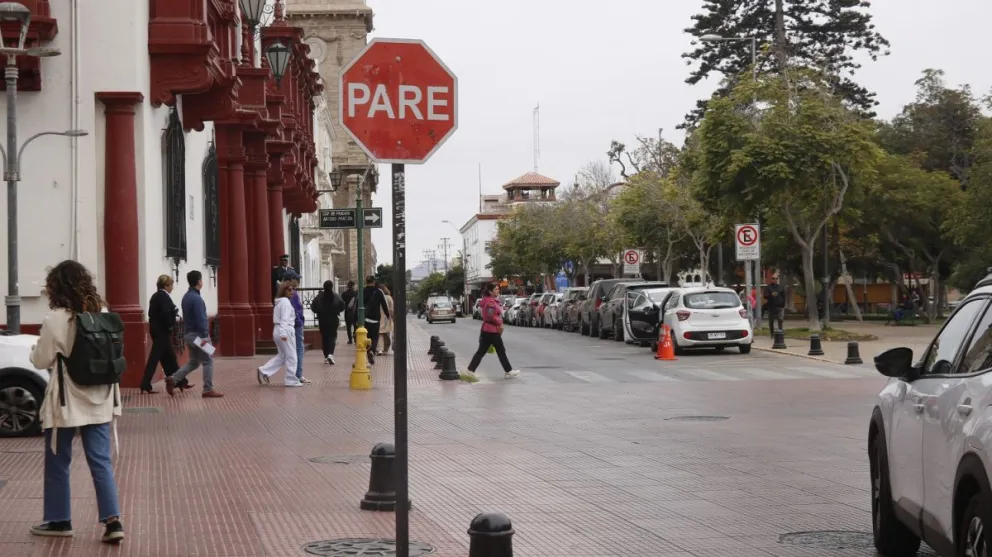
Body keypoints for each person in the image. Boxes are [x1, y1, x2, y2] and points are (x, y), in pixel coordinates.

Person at [28, 260, 125, 543]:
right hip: (101, 399)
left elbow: (40, 359)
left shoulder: (56, 319)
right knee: (101, 461)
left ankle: (59, 521)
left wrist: (36, 348)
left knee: (58, 461)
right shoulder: (104, 313)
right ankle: (113, 522)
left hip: (67, 403)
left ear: (56, 288)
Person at [166, 270, 223, 398]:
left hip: (188, 335)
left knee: (194, 362)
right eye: (201, 280)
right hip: (199, 336)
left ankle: (173, 379)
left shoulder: (186, 297)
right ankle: (208, 389)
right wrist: (205, 336)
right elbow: (200, 319)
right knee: (208, 361)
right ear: (198, 281)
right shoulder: (197, 299)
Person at [140, 274, 188, 393]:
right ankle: (145, 384)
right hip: (162, 331)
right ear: (166, 286)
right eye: (171, 285)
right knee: (155, 358)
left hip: (156, 330)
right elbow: (166, 313)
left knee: (169, 357)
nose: (172, 288)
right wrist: (171, 324)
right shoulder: (164, 297)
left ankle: (180, 381)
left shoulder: (155, 296)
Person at [466, 282, 519, 379]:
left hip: (487, 330)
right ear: (490, 292)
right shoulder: (490, 303)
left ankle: (470, 370)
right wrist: (499, 322)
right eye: (495, 289)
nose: (498, 290)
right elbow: (491, 316)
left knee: (481, 351)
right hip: (491, 330)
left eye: (498, 289)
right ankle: (508, 371)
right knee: (500, 351)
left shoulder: (491, 301)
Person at [257, 280, 304, 387]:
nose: (292, 291)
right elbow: (284, 319)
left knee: (282, 356)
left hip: (279, 329)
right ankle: (291, 380)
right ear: (283, 291)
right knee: (292, 356)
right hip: (285, 330)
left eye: (293, 289)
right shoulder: (285, 303)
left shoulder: (280, 302)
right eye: (289, 289)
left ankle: (264, 371)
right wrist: (283, 333)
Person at [282, 271, 310, 384]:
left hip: (295, 323)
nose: (298, 282)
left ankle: (297, 374)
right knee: (298, 349)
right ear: (290, 280)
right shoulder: (290, 292)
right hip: (296, 324)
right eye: (296, 279)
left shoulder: (291, 291)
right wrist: (299, 320)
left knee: (293, 350)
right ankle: (297, 375)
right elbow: (294, 309)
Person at [311, 280, 345, 364]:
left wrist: (319, 312)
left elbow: (313, 307)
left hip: (322, 319)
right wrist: (337, 311)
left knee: (325, 338)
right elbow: (343, 306)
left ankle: (326, 356)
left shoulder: (319, 297)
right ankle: (330, 354)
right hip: (333, 319)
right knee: (332, 337)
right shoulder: (336, 296)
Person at [362, 275, 391, 365]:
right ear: (374, 282)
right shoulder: (378, 292)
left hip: (364, 319)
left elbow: (357, 305)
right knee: (374, 338)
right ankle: (372, 351)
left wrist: (356, 318)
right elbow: (384, 304)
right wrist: (387, 315)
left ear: (366, 282)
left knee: (366, 337)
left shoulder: (362, 291)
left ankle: (368, 351)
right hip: (375, 319)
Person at [763, 275, 786, 339]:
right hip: (771, 306)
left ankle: (780, 333)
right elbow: (765, 296)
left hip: (780, 306)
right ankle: (772, 334)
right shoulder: (768, 287)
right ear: (771, 279)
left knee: (780, 319)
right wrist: (770, 295)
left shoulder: (781, 287)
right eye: (773, 278)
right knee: (771, 321)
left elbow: (784, 296)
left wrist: (783, 305)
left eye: (776, 278)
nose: (775, 279)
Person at [377, 284, 395, 355]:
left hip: (379, 317)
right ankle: (386, 348)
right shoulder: (389, 298)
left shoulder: (377, 297)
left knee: (380, 334)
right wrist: (393, 317)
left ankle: (380, 349)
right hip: (387, 318)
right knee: (386, 334)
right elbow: (391, 309)